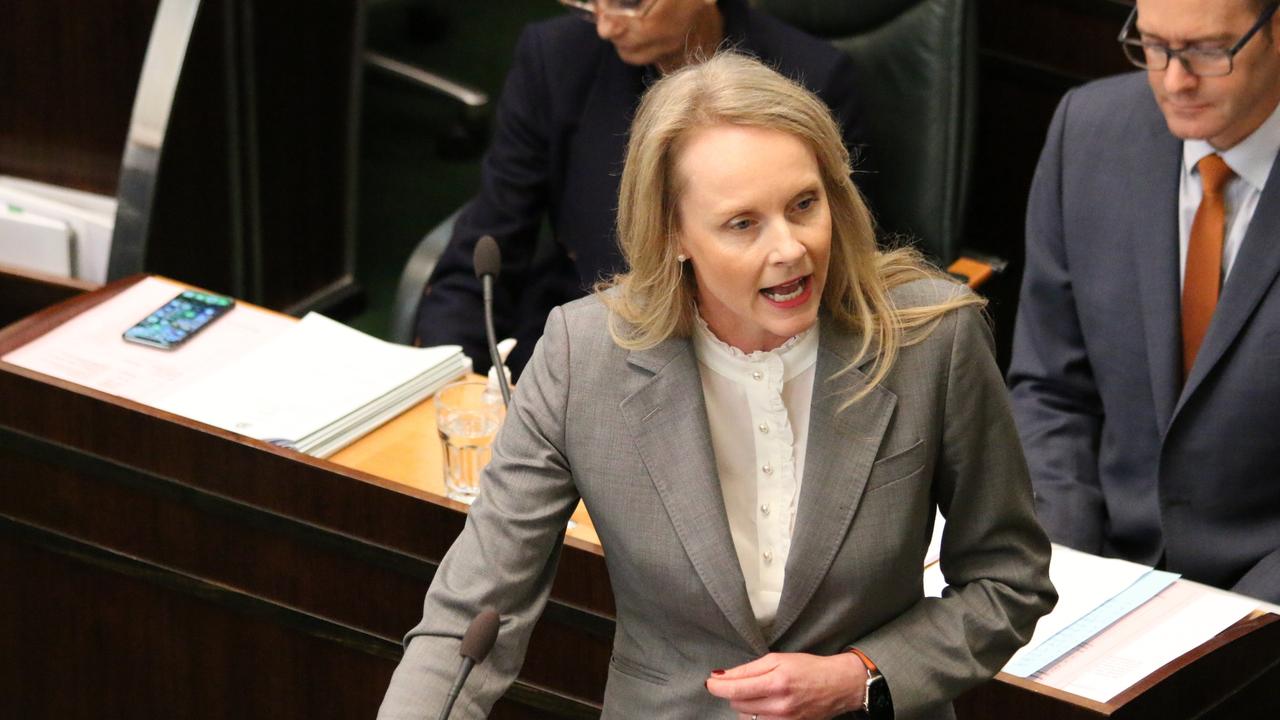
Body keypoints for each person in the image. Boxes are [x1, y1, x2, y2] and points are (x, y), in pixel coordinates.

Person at [380, 54, 1053, 720]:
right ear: (674, 233)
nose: (789, 248)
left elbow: (1008, 582)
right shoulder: (582, 357)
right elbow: (474, 609)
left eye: (804, 205)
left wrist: (862, 677)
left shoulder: (930, 341)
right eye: (743, 224)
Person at [412, 0, 866, 379]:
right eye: (592, 1)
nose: (607, 25)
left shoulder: (811, 80)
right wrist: (449, 378)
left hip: (753, 358)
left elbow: (843, 270)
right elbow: (491, 236)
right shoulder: (557, 58)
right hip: (588, 341)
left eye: (631, 2)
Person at [1009, 0, 1280, 602]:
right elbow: (1052, 390)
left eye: (1208, 51)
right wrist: (1065, 566)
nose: (1175, 80)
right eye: (1154, 46)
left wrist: (1238, 624)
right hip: (1104, 571)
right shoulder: (1088, 129)